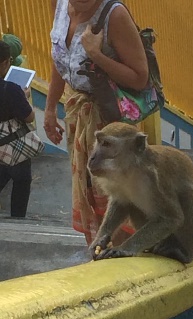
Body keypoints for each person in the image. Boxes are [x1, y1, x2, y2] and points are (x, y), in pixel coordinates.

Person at [44, 0, 149, 245]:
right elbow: (60, 58)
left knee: (118, 201)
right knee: (88, 193)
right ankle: (100, 254)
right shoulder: (58, 5)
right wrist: (49, 108)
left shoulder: (114, 14)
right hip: (78, 119)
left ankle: (123, 259)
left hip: (109, 125)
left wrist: (96, 54)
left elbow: (140, 78)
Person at [0, 40, 35, 217]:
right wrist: (24, 95)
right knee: (21, 181)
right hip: (11, 143)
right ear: (6, 62)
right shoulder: (11, 89)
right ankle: (17, 218)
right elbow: (29, 117)